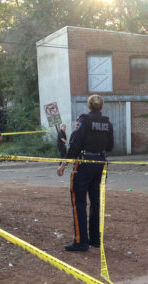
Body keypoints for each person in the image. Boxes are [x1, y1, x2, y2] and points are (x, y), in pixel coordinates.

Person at [57, 95, 114, 251]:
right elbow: (110, 146)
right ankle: (95, 239)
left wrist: (63, 164)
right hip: (101, 163)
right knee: (96, 202)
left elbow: (75, 144)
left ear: (88, 106)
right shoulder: (108, 123)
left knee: (79, 202)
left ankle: (81, 241)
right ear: (101, 107)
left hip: (84, 164)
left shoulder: (84, 121)